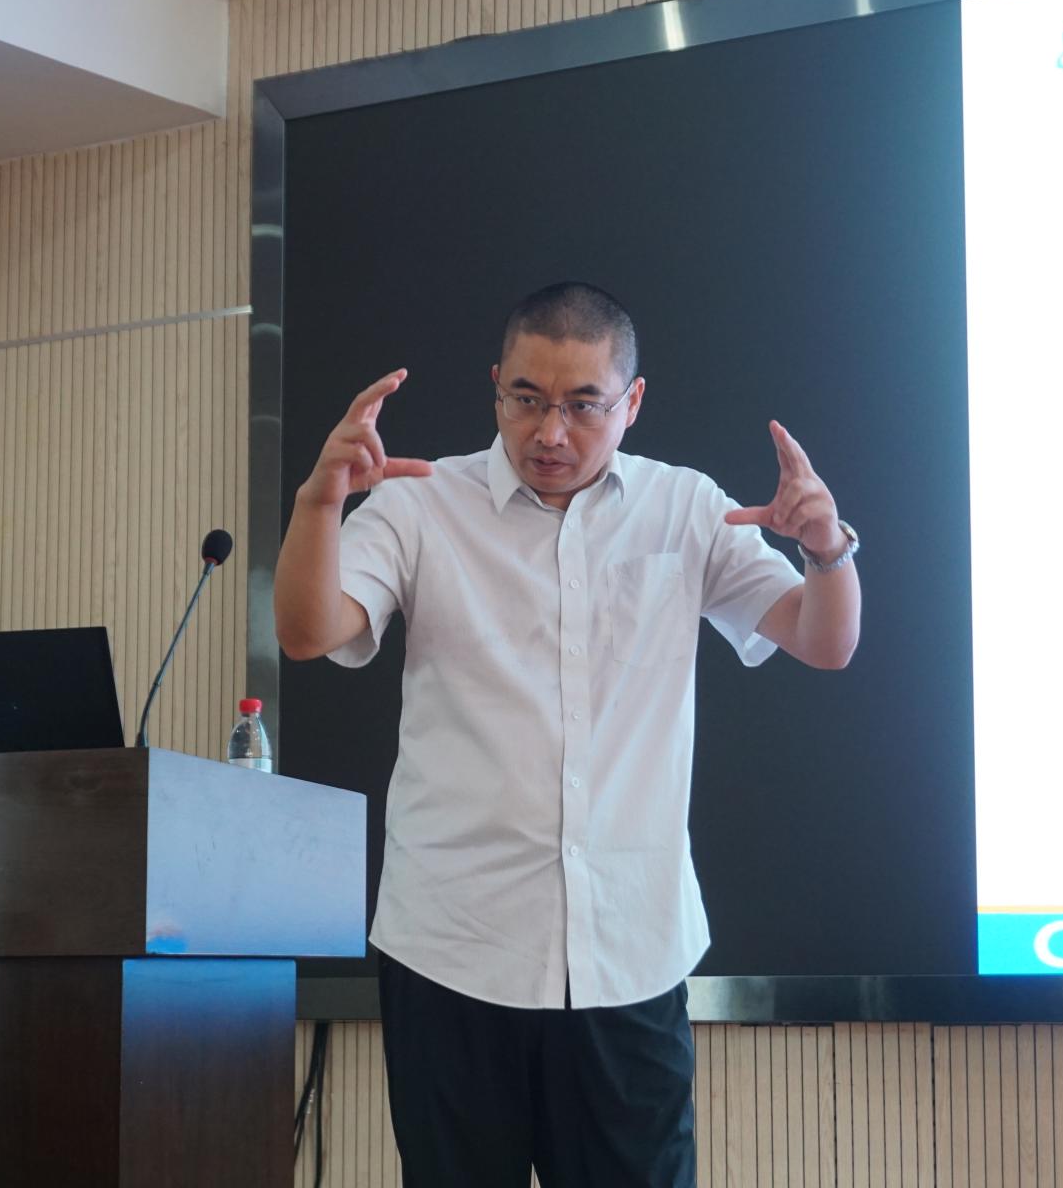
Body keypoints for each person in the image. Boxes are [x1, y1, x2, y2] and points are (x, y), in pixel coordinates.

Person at [273, 282, 861, 1187]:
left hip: (629, 953)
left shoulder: (686, 508)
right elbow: (308, 631)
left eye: (584, 405)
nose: (550, 432)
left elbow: (825, 642)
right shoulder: (422, 503)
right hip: (453, 950)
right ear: (496, 388)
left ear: (631, 402)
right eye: (527, 399)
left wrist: (826, 551)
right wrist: (319, 507)